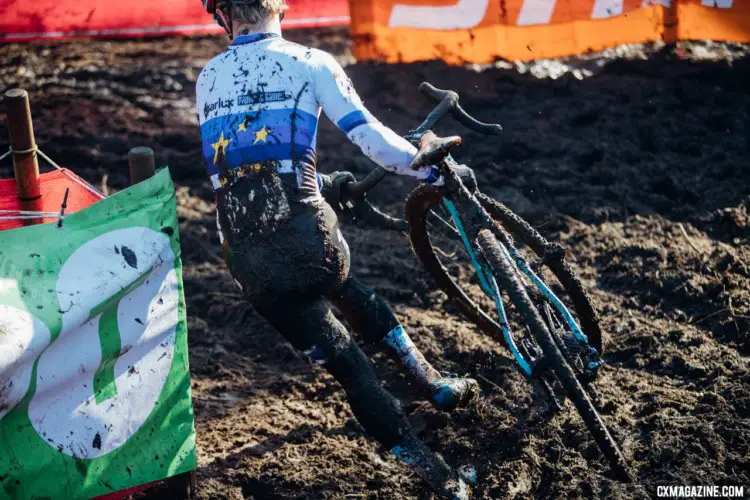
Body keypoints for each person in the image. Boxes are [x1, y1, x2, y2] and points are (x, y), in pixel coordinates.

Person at [195, 0, 479, 497]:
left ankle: (443, 481)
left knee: (352, 372)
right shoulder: (310, 62)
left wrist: (322, 181)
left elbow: (247, 173)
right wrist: (429, 169)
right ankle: (434, 383)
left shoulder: (206, 79)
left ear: (222, 15)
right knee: (347, 287)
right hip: (312, 240)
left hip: (247, 260)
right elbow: (373, 141)